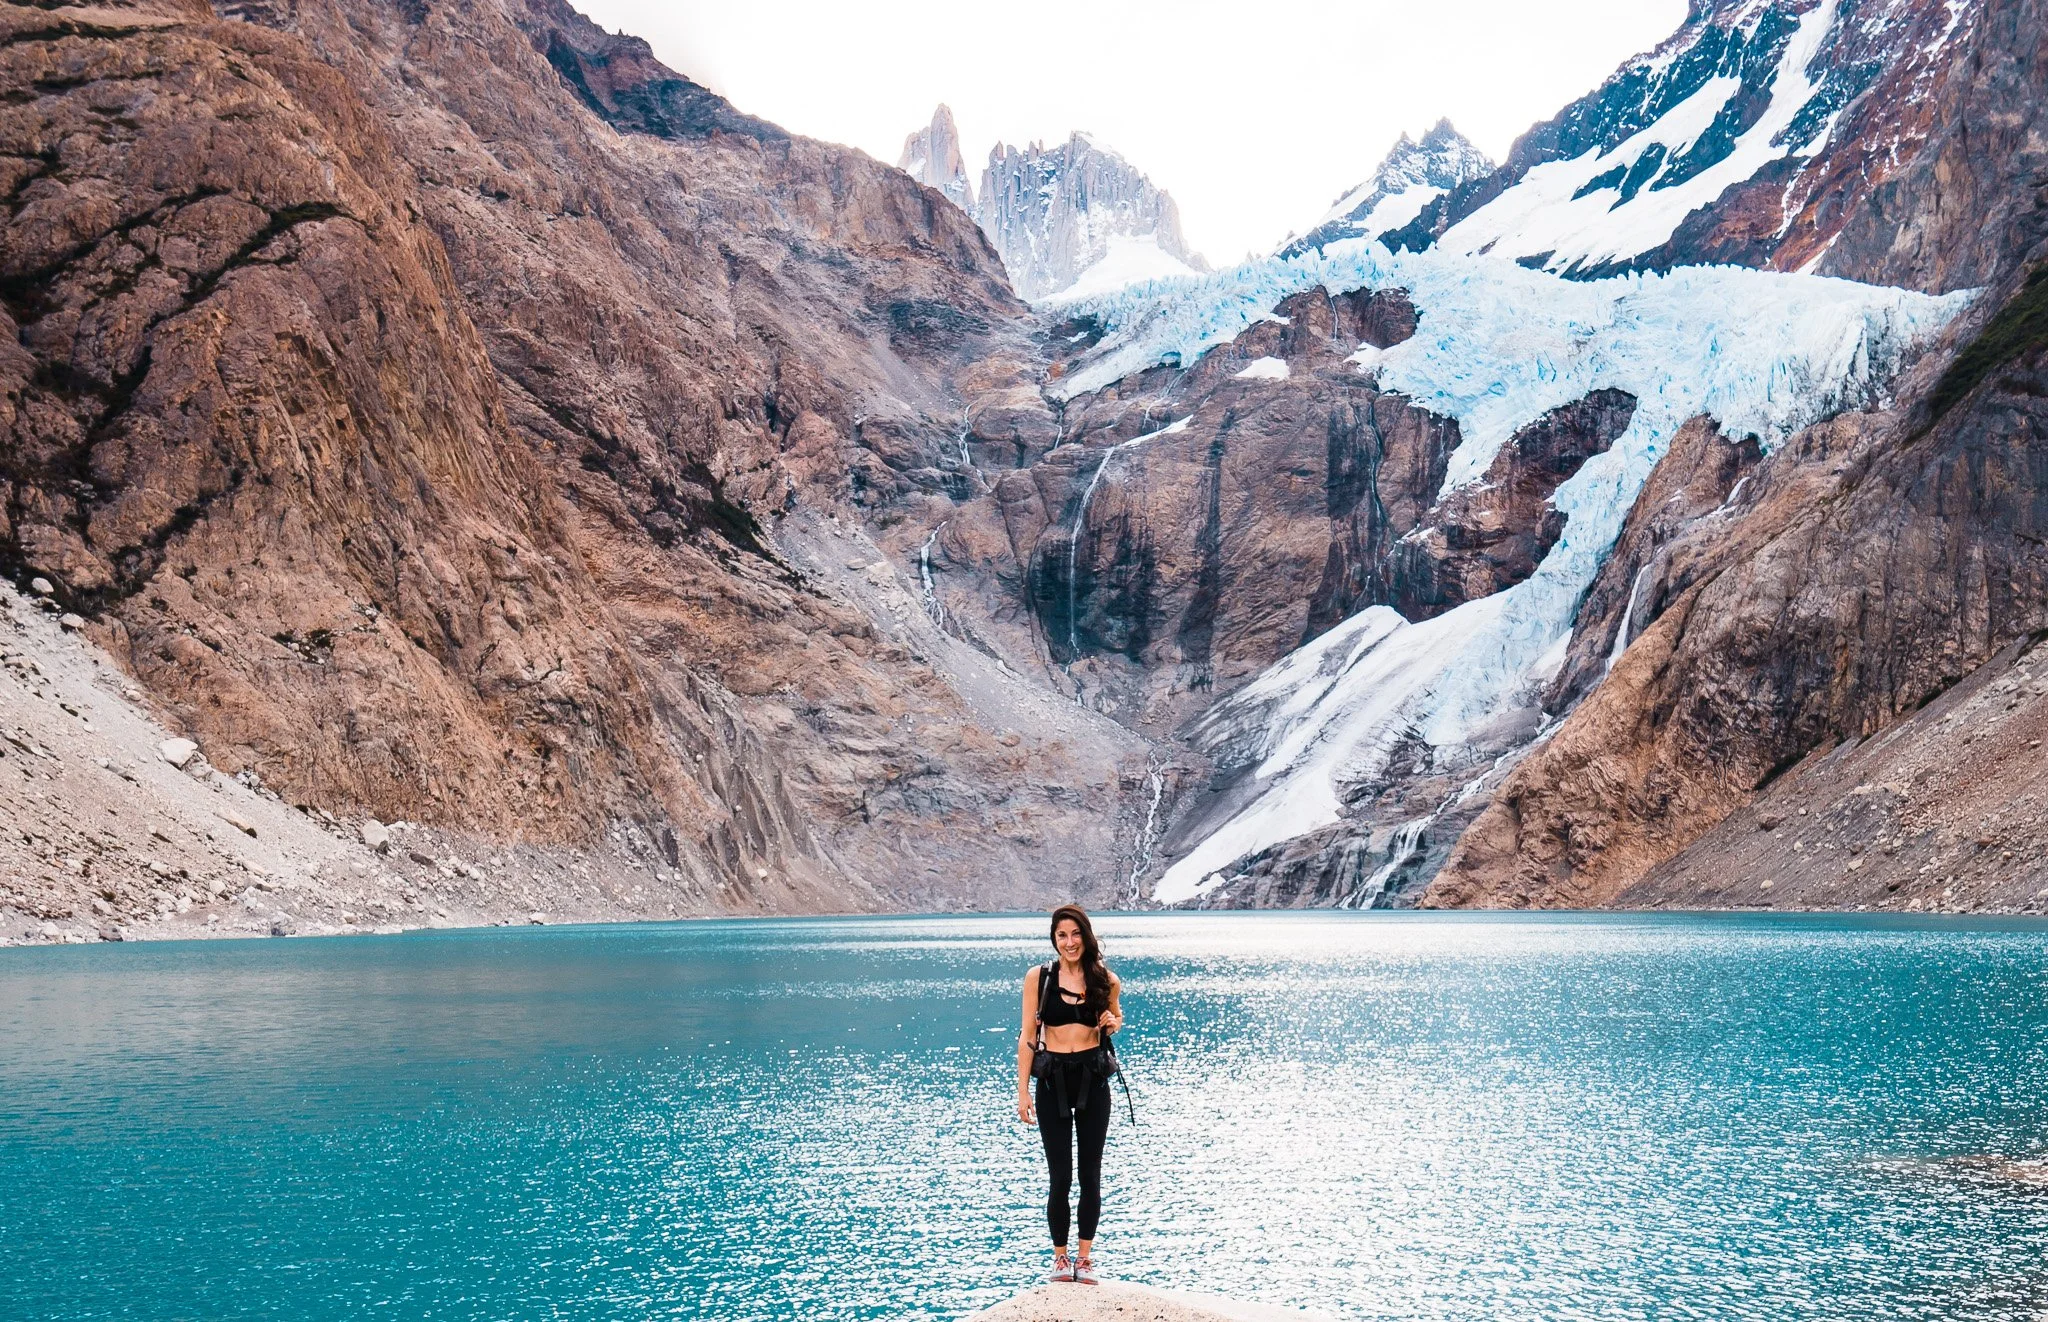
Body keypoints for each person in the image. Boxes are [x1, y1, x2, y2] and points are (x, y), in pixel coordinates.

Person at [1016, 903, 1123, 1286]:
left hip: (1093, 1082)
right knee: (1060, 1175)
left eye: (1075, 934)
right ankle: (1060, 1259)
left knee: (1090, 1174)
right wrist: (1022, 1092)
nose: (1069, 942)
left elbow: (1115, 1019)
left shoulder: (1106, 980)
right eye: (1062, 935)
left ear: (1086, 935)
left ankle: (1085, 1258)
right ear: (1054, 938)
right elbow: (1028, 1036)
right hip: (1052, 1083)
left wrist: (1112, 1022)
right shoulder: (1039, 978)